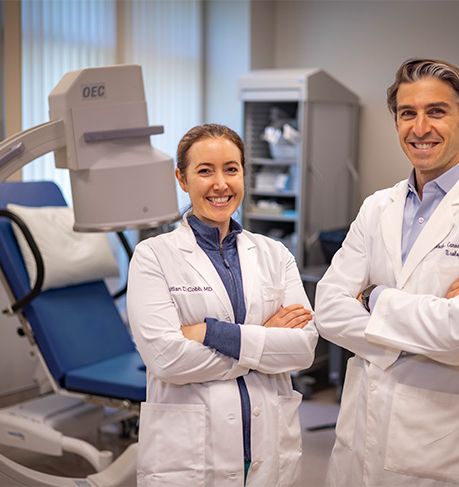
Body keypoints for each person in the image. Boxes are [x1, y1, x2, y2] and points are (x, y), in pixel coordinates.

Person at [315, 58, 459, 486]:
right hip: (361, 424)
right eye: (407, 113)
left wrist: (371, 297)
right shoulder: (377, 206)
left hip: (442, 436)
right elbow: (326, 311)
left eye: (436, 111)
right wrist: (430, 320)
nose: (420, 127)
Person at [127, 123, 318, 487]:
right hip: (191, 454)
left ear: (243, 173)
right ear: (182, 180)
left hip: (267, 444)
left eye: (231, 169)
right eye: (205, 171)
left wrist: (209, 332)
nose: (221, 184)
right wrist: (265, 339)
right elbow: (166, 359)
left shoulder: (275, 254)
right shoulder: (153, 256)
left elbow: (302, 348)